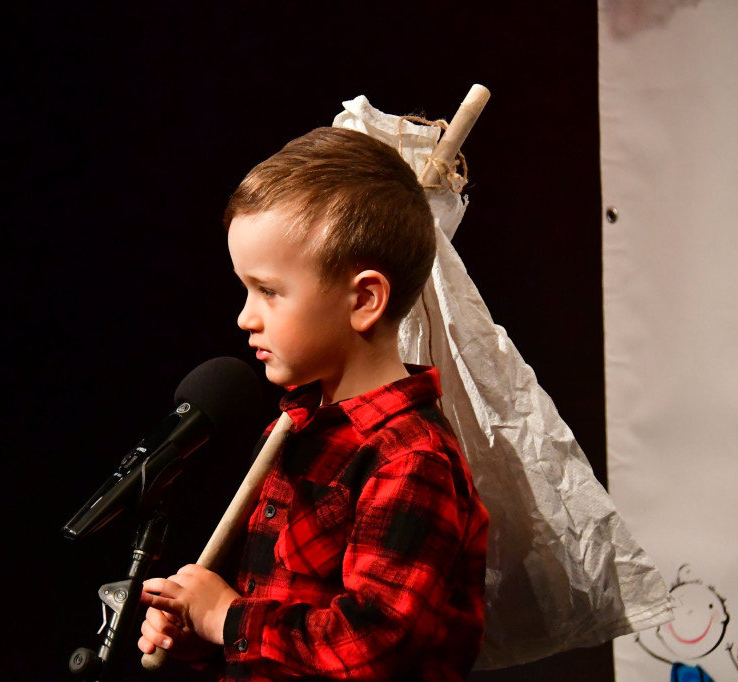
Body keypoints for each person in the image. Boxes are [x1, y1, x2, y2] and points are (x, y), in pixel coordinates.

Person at [137, 127, 489, 681]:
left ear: (364, 299)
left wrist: (227, 618)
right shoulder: (296, 427)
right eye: (246, 290)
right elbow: (287, 621)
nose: (245, 317)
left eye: (269, 291)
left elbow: (374, 646)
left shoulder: (411, 460)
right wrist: (203, 640)